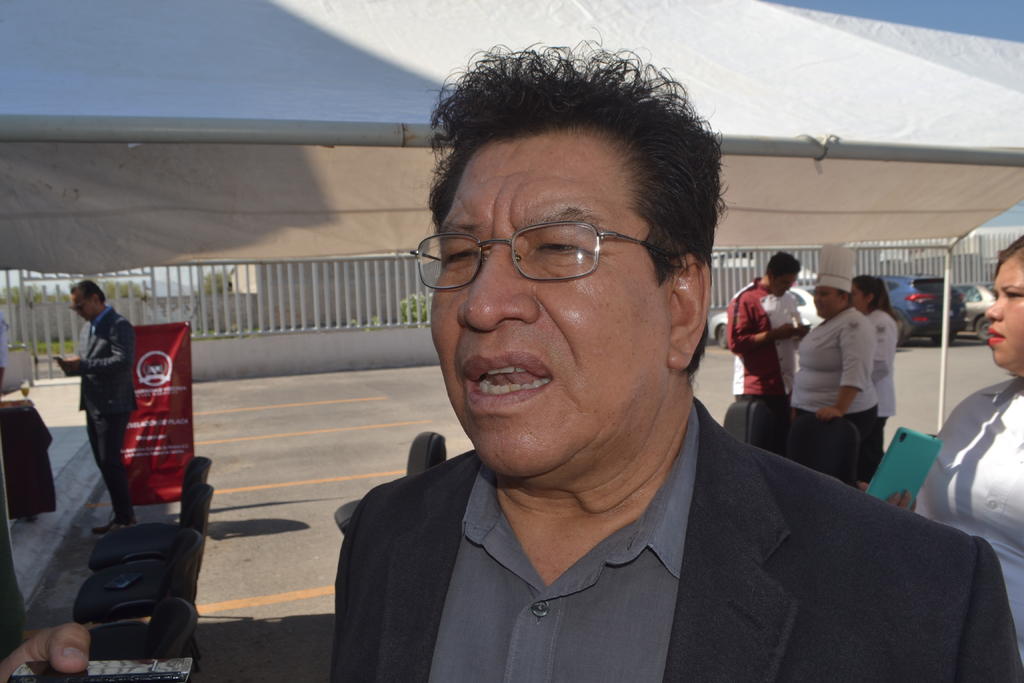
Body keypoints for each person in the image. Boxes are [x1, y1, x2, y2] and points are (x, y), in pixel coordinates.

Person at [7, 46, 1021, 682]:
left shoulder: (917, 598)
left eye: (557, 247)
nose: (483, 302)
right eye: (460, 255)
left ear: (680, 303)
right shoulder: (386, 537)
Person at [917, 234, 1024, 661]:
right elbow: (927, 514)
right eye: (996, 294)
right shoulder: (977, 409)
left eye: (1013, 295)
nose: (992, 310)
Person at [55, 280, 137, 534]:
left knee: (110, 461)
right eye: (75, 308)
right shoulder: (87, 328)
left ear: (95, 299)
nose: (78, 312)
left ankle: (125, 518)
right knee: (103, 462)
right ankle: (122, 515)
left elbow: (123, 361)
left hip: (113, 404)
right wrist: (72, 367)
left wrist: (83, 365)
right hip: (94, 404)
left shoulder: (118, 324)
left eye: (80, 306)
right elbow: (89, 363)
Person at [791, 245, 878, 451]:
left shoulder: (854, 324)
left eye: (824, 294)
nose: (817, 299)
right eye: (816, 293)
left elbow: (856, 369)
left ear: (843, 297)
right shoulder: (831, 321)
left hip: (840, 417)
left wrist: (839, 408)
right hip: (813, 412)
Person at [726, 251, 808, 454]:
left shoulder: (788, 299)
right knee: (756, 449)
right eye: (784, 282)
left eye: (790, 283)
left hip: (783, 386)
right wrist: (774, 335)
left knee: (780, 449)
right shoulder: (746, 299)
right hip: (755, 388)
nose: (787, 288)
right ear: (771, 275)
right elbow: (736, 343)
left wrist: (797, 332)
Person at [850, 275, 898, 480]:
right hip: (864, 399)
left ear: (868, 297)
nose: (849, 298)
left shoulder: (880, 321)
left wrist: (854, 384)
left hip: (875, 399)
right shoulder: (864, 319)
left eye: (854, 294)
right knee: (861, 454)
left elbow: (880, 363)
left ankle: (873, 493)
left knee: (869, 456)